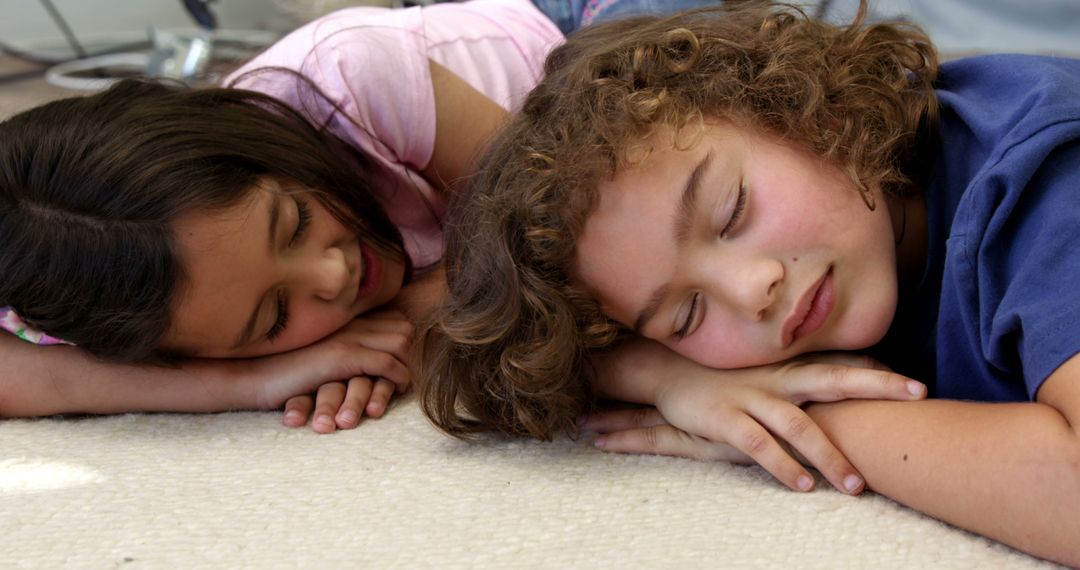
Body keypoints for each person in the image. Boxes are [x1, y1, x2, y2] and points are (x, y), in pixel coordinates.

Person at [419, 2, 1080, 565]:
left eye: (731, 213)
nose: (751, 290)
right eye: (686, 317)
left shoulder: (1043, 181)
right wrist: (674, 381)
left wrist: (808, 421)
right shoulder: (845, 239)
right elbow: (502, 371)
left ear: (809, 114)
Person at [0, 0, 730, 431]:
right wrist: (263, 381)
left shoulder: (352, 78)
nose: (334, 270)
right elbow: (22, 376)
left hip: (585, 30)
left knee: (703, 151)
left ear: (251, 136)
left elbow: (564, 252)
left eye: (292, 222)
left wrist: (414, 324)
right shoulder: (89, 271)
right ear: (195, 350)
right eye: (272, 319)